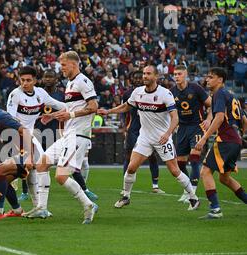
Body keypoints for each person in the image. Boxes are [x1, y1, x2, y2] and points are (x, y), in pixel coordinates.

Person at [98, 65, 200, 211]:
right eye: (144, 73)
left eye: (148, 74)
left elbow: (175, 117)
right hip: (144, 137)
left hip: (161, 138)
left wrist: (168, 133)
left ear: (156, 77)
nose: (145, 76)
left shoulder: (165, 94)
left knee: (174, 170)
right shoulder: (137, 92)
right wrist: (108, 111)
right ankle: (126, 196)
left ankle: (193, 198)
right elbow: (126, 107)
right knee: (131, 167)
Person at [26, 51, 99, 224]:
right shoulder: (70, 84)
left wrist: (71, 115)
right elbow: (69, 108)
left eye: (63, 65)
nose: (61, 69)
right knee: (42, 163)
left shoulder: (83, 81)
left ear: (73, 64)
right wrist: (52, 116)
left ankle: (88, 205)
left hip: (78, 136)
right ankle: (42, 208)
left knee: (61, 176)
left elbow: (94, 107)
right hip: (68, 135)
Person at [2, 66, 67, 213]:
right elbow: (10, 119)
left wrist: (76, 108)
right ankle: (7, 203)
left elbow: (59, 105)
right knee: (21, 171)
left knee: (38, 168)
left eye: (28, 80)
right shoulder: (15, 95)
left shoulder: (40, 93)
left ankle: (38, 207)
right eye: (22, 80)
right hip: (18, 136)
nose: (25, 83)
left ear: (35, 80)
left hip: (31, 136)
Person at [195, 67, 247, 219]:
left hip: (225, 140)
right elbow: (244, 120)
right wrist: (241, 135)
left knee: (205, 171)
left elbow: (218, 118)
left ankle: (215, 209)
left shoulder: (218, 94)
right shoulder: (232, 96)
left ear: (220, 80)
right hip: (234, 141)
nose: (207, 80)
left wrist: (204, 138)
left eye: (211, 77)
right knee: (224, 178)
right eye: (207, 77)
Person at [171, 65, 212, 202]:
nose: (176, 76)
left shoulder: (195, 88)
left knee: (194, 158)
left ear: (185, 74)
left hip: (197, 126)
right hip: (182, 128)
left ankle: (192, 192)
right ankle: (187, 189)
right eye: (175, 74)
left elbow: (211, 104)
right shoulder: (172, 92)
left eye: (179, 74)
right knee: (180, 162)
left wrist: (209, 118)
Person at [121, 70, 164, 194]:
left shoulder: (154, 93)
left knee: (152, 157)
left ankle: (155, 185)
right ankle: (125, 188)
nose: (139, 79)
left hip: (149, 129)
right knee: (129, 157)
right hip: (133, 128)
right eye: (137, 77)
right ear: (132, 79)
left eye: (141, 77)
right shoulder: (129, 93)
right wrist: (124, 126)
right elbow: (124, 110)